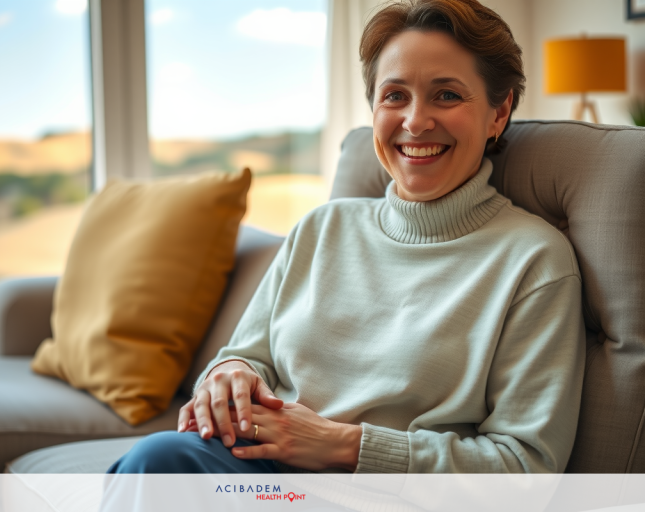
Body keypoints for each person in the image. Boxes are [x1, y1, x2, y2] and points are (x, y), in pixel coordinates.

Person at [107, 0, 584, 475]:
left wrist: (345, 446)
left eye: (446, 95)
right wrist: (228, 375)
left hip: (385, 497)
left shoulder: (533, 260)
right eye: (394, 96)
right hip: (260, 476)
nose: (415, 121)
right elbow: (245, 356)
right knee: (158, 459)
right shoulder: (322, 227)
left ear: (499, 113)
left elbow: (526, 466)